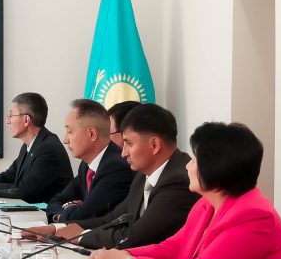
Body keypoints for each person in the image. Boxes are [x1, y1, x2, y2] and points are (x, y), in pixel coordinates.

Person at [91, 122, 281, 259]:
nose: (187, 165)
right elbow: (172, 247)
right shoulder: (207, 204)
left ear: (216, 168)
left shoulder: (255, 216)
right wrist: (120, 255)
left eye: (195, 160)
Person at [26, 103, 196, 249]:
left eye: (129, 144)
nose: (123, 153)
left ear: (154, 145)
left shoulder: (178, 181)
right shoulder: (143, 175)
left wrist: (81, 236)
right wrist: (58, 228)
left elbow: (136, 237)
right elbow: (112, 219)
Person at [0, 92, 70, 204]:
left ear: (26, 120)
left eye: (11, 116)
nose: (8, 121)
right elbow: (8, 176)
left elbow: (23, 191)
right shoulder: (29, 145)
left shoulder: (48, 149)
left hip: (49, 213)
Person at [41, 99, 130, 223]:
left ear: (92, 134)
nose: (65, 140)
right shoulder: (86, 165)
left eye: (70, 132)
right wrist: (67, 211)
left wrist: (67, 211)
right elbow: (55, 201)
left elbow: (83, 217)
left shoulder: (116, 167)